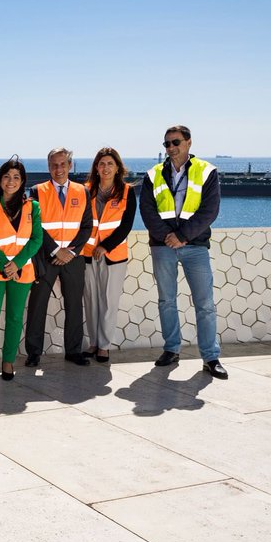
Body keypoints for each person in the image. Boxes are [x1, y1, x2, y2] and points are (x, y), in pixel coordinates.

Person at [140, 126, 228, 379]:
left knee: (205, 304)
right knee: (166, 301)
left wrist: (183, 236)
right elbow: (147, 210)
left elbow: (210, 210)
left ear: (188, 142)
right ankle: (171, 349)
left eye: (175, 142)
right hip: (163, 246)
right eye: (166, 143)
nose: (170, 148)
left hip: (195, 246)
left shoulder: (206, 171)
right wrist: (168, 237)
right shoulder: (153, 174)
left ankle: (210, 357)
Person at [0, 157, 42, 386]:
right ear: (0, 180)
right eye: (7, 176)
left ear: (22, 181)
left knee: (15, 319)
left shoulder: (32, 207)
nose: (11, 181)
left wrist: (17, 264)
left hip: (22, 271)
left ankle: (8, 363)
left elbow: (36, 239)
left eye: (16, 177)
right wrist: (7, 265)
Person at [24, 147, 93, 367]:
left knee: (74, 305)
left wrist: (71, 251)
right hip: (45, 257)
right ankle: (34, 353)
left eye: (63, 164)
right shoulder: (37, 191)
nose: (59, 169)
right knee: (37, 305)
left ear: (70, 165)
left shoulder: (83, 191)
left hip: (74, 258)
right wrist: (55, 250)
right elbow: (35, 226)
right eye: (54, 164)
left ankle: (73, 351)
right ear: (48, 166)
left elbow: (86, 226)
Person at [80, 147, 137, 364]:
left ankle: (104, 346)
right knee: (91, 300)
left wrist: (105, 246)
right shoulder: (85, 190)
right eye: (101, 163)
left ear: (117, 168)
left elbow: (126, 225)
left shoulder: (127, 191)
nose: (105, 167)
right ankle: (93, 343)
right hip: (87, 254)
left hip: (114, 255)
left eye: (110, 164)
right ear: (96, 167)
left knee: (109, 301)